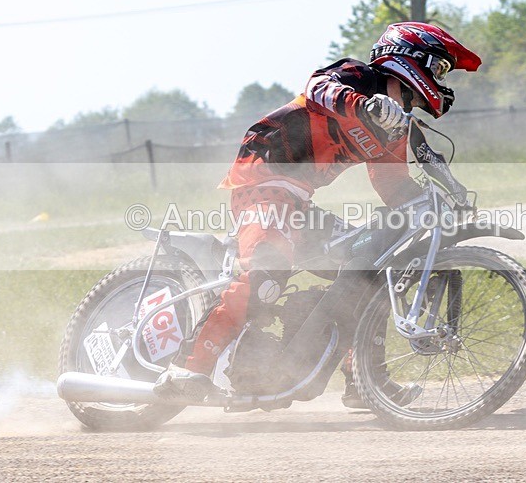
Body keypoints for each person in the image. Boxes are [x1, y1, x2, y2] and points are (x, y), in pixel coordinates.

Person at [155, 22, 482, 405]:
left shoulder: (393, 130)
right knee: (267, 275)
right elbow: (316, 88)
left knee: (366, 267)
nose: (442, 80)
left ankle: (363, 380)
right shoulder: (358, 77)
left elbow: (392, 185)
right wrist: (367, 105)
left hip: (298, 203)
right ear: (412, 58)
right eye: (440, 68)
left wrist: (433, 203)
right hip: (261, 181)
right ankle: (188, 370)